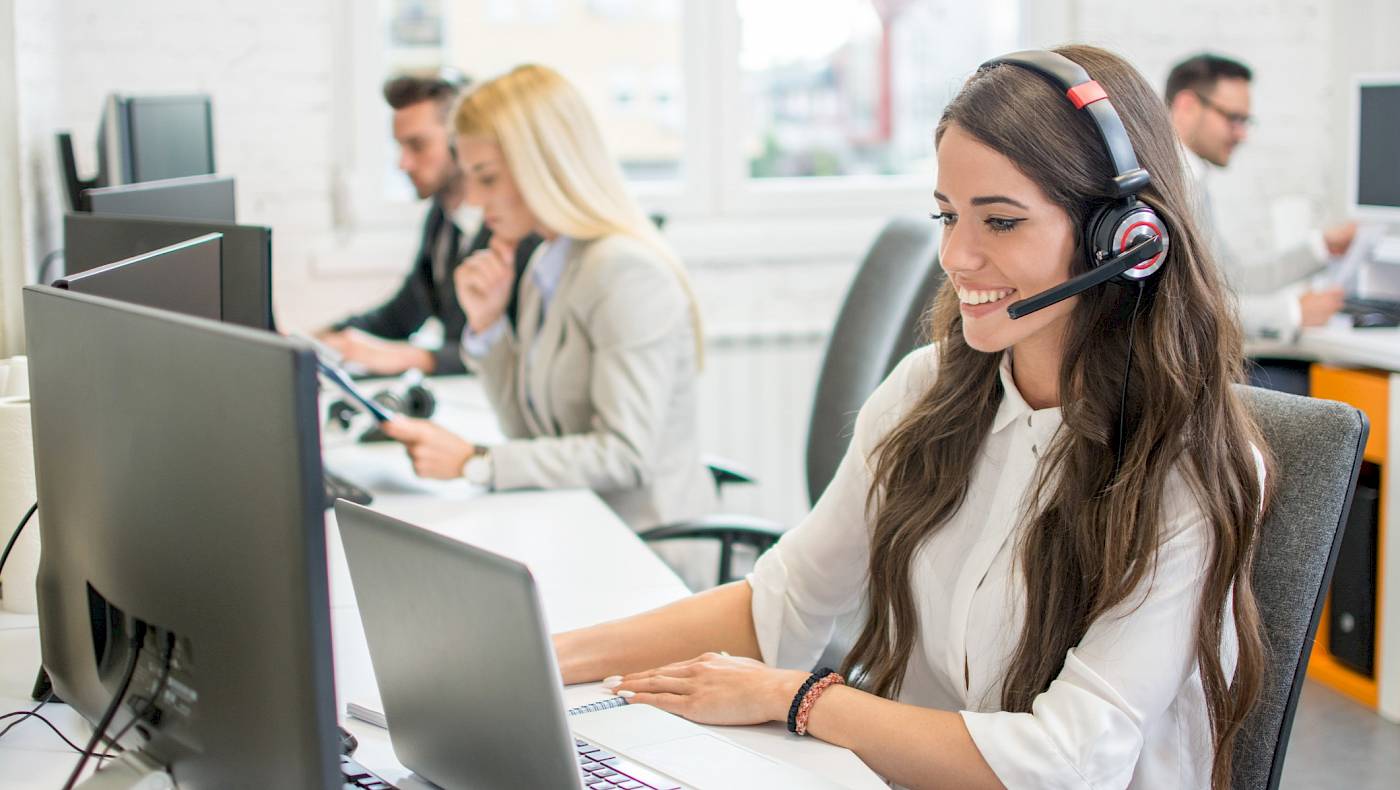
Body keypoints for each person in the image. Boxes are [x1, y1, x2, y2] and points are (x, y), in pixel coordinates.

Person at [553, 45, 1269, 789]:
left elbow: (1068, 761)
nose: (956, 256)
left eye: (1000, 222)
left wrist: (798, 699)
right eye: (947, 215)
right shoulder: (930, 390)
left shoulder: (1182, 463)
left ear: (1123, 241)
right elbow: (788, 597)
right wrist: (552, 657)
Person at [380, 64, 716, 533]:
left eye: (488, 177)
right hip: (577, 523)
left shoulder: (625, 272)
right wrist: (488, 327)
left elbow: (624, 456)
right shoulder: (547, 263)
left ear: (544, 168)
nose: (474, 199)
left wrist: (478, 462)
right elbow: (527, 434)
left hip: (645, 548)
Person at [318, 72, 539, 375]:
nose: (403, 163)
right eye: (400, 146)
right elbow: (401, 315)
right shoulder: (442, 218)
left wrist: (413, 358)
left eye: (417, 146)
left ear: (459, 143)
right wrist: (320, 340)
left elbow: (516, 351)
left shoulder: (520, 230)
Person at [1166, 54, 1356, 347]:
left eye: (1245, 121)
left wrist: (1321, 247)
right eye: (1233, 118)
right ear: (1187, 106)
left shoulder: (1191, 180)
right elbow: (1182, 307)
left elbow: (1232, 278)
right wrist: (1292, 313)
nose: (1242, 134)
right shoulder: (1166, 185)